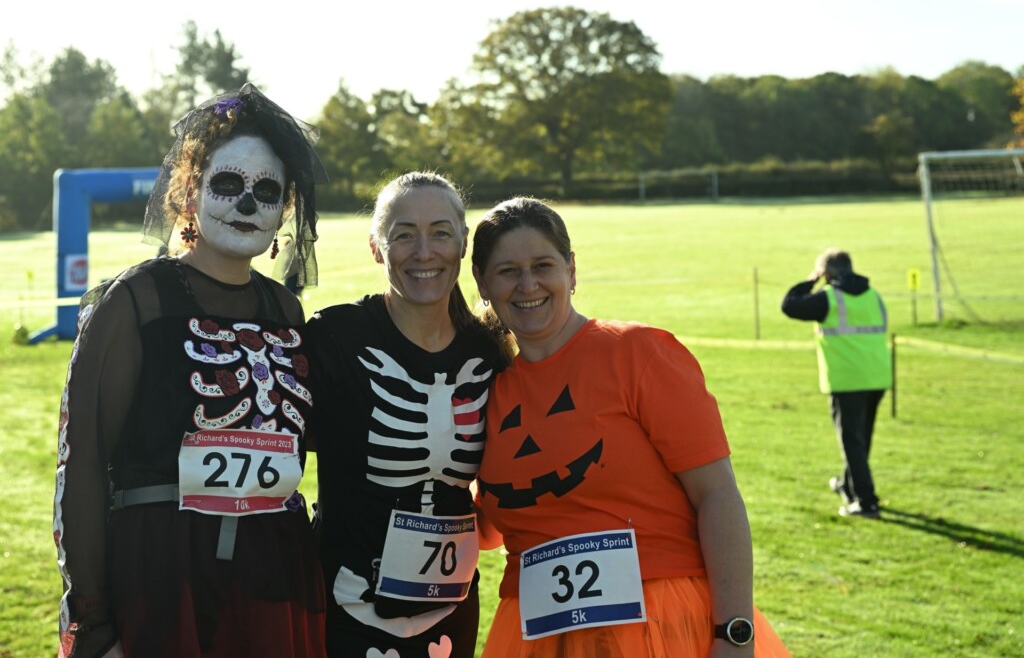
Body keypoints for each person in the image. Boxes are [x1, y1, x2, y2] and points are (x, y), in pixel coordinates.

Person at [53, 83, 329, 657]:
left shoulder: (286, 310)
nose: (247, 205)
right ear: (190, 193)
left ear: (286, 210)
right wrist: (94, 619)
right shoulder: (135, 301)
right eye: (228, 185)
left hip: (274, 569)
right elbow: (80, 464)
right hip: (162, 576)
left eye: (267, 191)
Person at [470, 197, 789, 657]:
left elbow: (717, 495)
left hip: (663, 625)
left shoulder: (637, 353)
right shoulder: (487, 391)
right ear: (482, 281)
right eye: (507, 271)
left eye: (543, 265)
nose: (527, 284)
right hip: (537, 637)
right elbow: (486, 531)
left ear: (571, 271)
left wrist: (734, 634)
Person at [304, 172, 511, 657]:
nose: (424, 251)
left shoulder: (490, 350)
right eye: (403, 235)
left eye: (440, 232)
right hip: (345, 595)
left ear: (463, 243)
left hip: (450, 600)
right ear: (377, 248)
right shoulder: (335, 337)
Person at [781, 248, 892, 519]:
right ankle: (848, 486)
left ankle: (866, 502)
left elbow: (790, 305)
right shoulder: (873, 295)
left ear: (827, 274)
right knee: (860, 439)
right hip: (877, 376)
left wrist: (811, 280)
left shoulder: (829, 298)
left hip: (847, 379)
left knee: (852, 442)